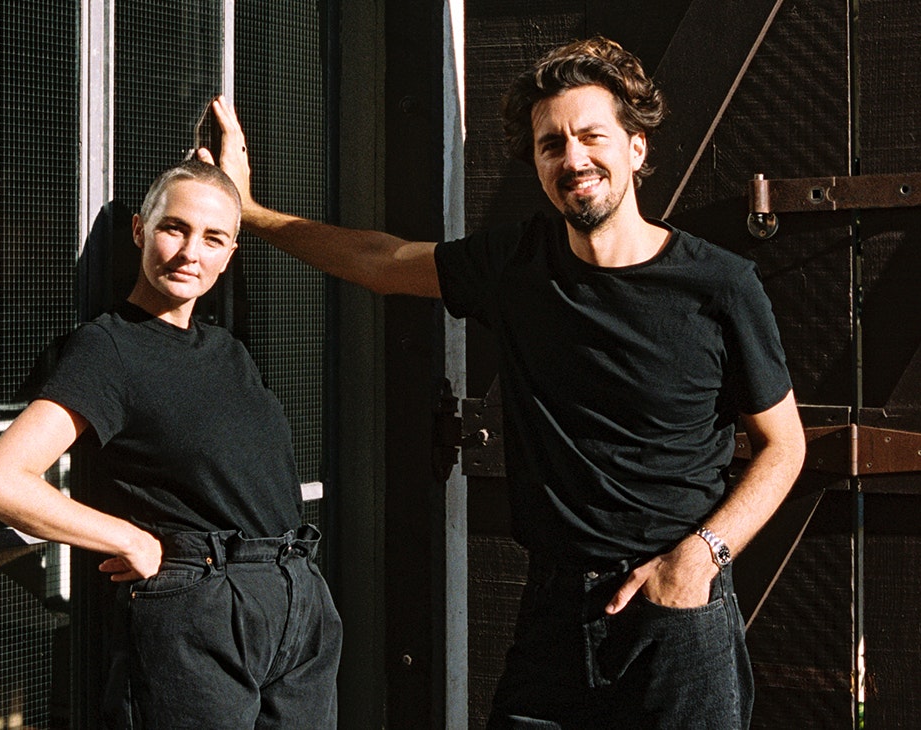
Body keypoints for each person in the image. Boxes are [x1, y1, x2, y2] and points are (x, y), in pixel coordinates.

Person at [203, 36, 806, 729]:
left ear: (636, 147)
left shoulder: (721, 286)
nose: (573, 158)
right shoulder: (518, 265)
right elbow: (381, 259)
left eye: (591, 136)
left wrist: (700, 558)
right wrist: (248, 211)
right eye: (552, 145)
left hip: (676, 614)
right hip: (553, 608)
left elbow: (782, 446)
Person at [0, 159, 343, 729]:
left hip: (296, 600)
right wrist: (130, 539)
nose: (191, 251)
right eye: (174, 228)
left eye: (214, 237)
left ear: (230, 254)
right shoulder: (108, 349)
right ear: (141, 230)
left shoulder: (230, 352)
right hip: (203, 610)